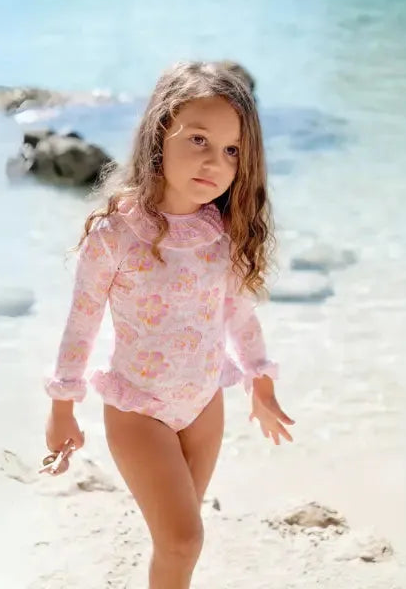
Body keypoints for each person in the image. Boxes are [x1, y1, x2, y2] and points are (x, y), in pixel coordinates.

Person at [42, 60, 295, 589]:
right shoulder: (115, 235)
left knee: (178, 545)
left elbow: (237, 312)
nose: (215, 161)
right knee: (183, 540)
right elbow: (81, 324)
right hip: (138, 409)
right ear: (160, 133)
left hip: (204, 403)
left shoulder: (221, 231)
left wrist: (260, 380)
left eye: (232, 150)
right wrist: (63, 407)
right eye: (198, 139)